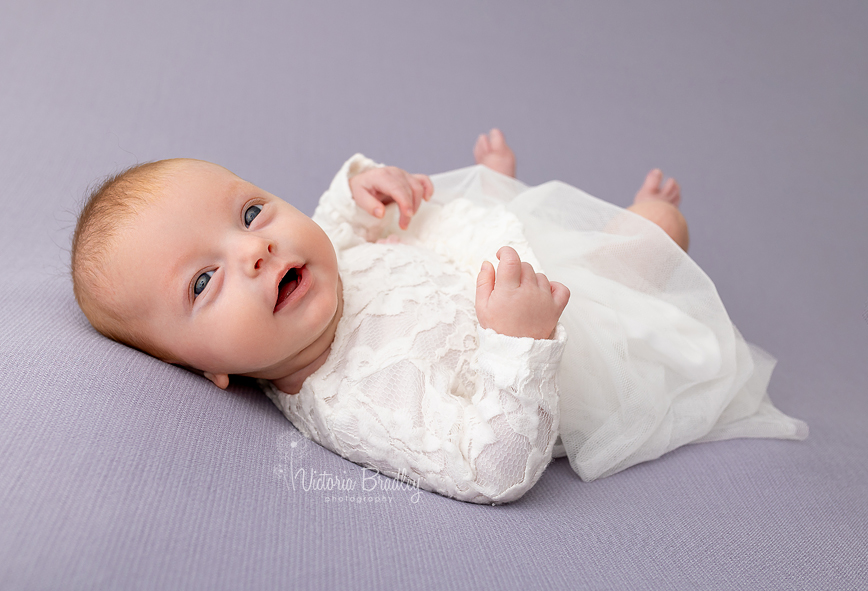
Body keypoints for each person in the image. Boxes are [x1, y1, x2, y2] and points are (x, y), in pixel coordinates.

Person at [71, 130, 807, 504]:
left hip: (474, 257)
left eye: (251, 211)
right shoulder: (352, 402)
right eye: (204, 280)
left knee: (449, 217)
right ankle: (639, 238)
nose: (256, 249)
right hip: (552, 325)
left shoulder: (305, 278)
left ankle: (497, 194)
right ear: (207, 370)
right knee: (641, 250)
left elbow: (329, 231)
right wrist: (516, 343)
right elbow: (492, 470)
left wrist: (363, 192)